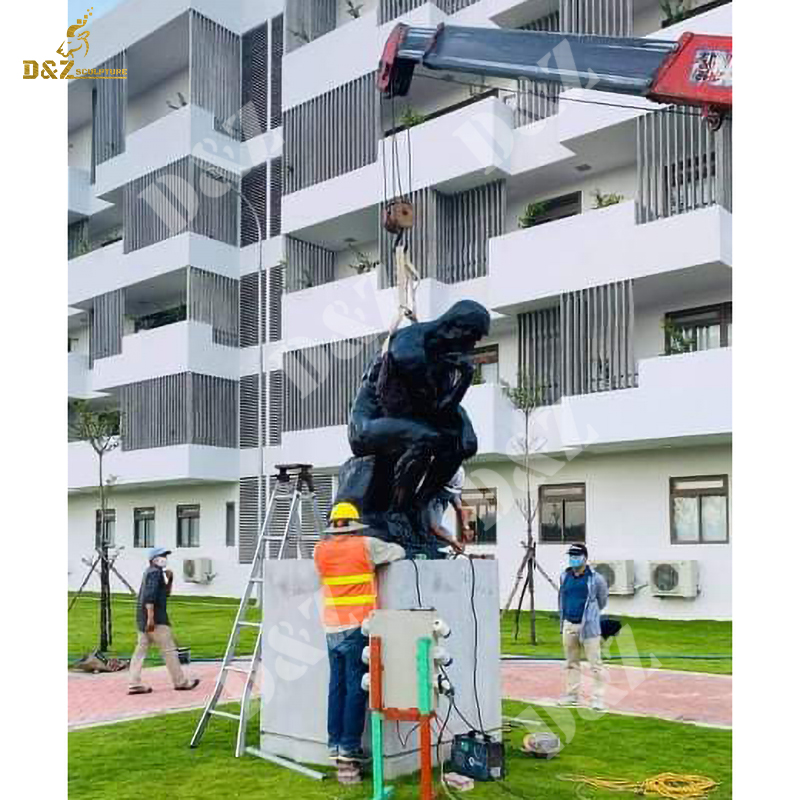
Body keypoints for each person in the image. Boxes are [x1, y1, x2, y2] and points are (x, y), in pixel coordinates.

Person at [313, 501, 405, 762]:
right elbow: (398, 552)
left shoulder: (319, 550)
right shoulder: (367, 545)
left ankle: (334, 742)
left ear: (333, 526)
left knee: (336, 686)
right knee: (356, 687)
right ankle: (349, 746)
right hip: (356, 627)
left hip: (331, 627)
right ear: (353, 527)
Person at [128, 546, 200, 695]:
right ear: (154, 559)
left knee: (140, 652)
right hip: (156, 620)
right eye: (162, 555)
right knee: (169, 651)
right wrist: (151, 618)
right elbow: (150, 597)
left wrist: (170, 579)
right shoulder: (154, 573)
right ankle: (180, 682)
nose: (165, 558)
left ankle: (134, 683)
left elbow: (164, 594)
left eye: (165, 555)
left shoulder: (153, 573)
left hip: (143, 619)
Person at [558, 543, 608, 711]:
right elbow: (563, 598)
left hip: (589, 627)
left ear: (585, 558)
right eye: (571, 555)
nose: (573, 558)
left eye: (576, 555)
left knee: (595, 664)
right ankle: (572, 695)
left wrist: (591, 617)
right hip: (569, 624)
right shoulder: (565, 576)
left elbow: (602, 601)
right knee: (571, 663)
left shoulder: (596, 579)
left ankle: (598, 698)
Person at [424, 466, 468, 554]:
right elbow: (434, 528)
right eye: (448, 493)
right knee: (438, 535)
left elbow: (460, 508)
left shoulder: (456, 480)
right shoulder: (429, 497)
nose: (451, 496)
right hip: (425, 532)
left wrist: (465, 527)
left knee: (447, 535)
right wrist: (453, 542)